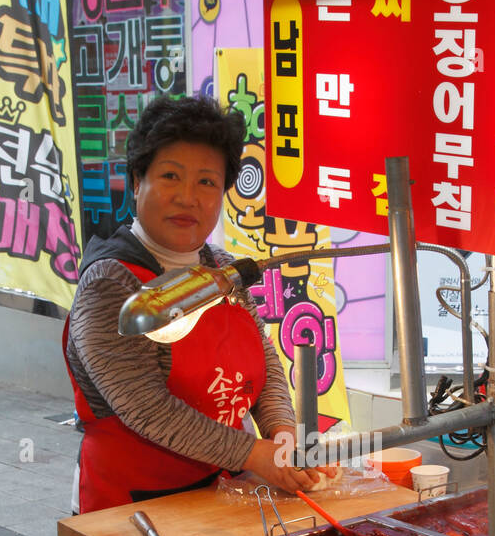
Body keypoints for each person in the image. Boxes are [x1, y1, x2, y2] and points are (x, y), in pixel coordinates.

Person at [64, 95, 322, 513]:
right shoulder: (110, 283)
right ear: (136, 182)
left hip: (220, 490)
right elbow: (145, 408)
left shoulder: (221, 269)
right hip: (132, 504)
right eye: (170, 176)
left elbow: (264, 362)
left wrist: (282, 435)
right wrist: (255, 454)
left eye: (206, 182)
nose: (188, 197)